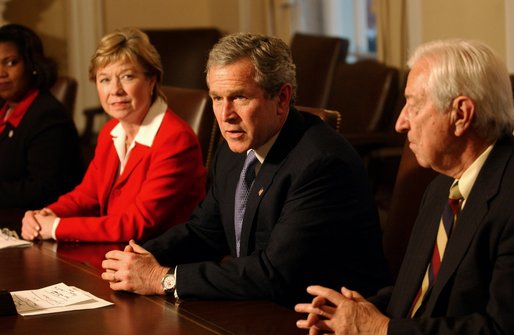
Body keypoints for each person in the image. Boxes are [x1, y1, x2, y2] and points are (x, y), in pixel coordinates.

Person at [100, 32, 389, 307]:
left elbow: (274, 273)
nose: (225, 115)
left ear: (282, 99)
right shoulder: (234, 148)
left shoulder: (322, 164)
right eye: (216, 98)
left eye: (240, 97)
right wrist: (142, 256)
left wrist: (162, 278)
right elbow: (204, 232)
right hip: (257, 305)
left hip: (315, 317)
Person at [295, 39, 514, 334]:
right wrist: (352, 313)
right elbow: (419, 295)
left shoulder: (508, 200)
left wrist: (381, 329)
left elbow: (499, 329)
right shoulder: (440, 188)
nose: (400, 123)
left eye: (413, 105)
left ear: (461, 114)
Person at [21, 27, 206, 242]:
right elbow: (86, 196)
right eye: (105, 79)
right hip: (118, 253)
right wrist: (44, 215)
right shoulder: (110, 131)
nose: (115, 90)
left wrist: (55, 227)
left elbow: (137, 223)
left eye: (127, 77)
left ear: (151, 80)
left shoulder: (175, 139)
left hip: (161, 260)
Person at [0, 23, 83, 231]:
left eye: (11, 63)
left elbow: (43, 190)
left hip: (33, 226)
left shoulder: (48, 115)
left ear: (32, 65)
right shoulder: (4, 107)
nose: (1, 73)